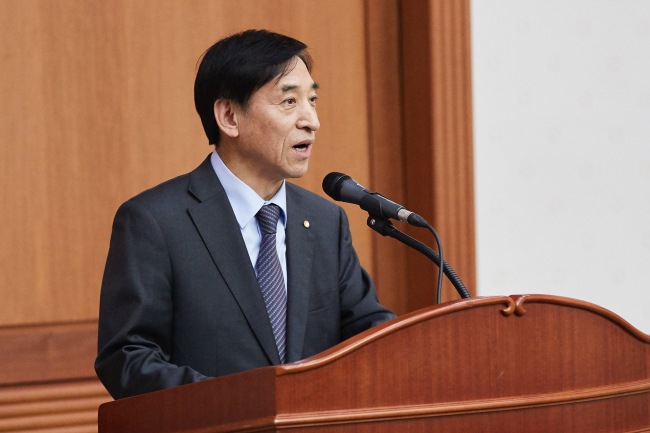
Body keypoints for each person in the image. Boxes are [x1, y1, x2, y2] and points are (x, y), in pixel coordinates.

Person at [95, 29, 395, 400]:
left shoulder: (324, 221)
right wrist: (239, 402)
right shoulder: (155, 222)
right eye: (289, 102)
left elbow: (369, 335)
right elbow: (127, 359)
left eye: (312, 100)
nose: (311, 121)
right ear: (229, 116)